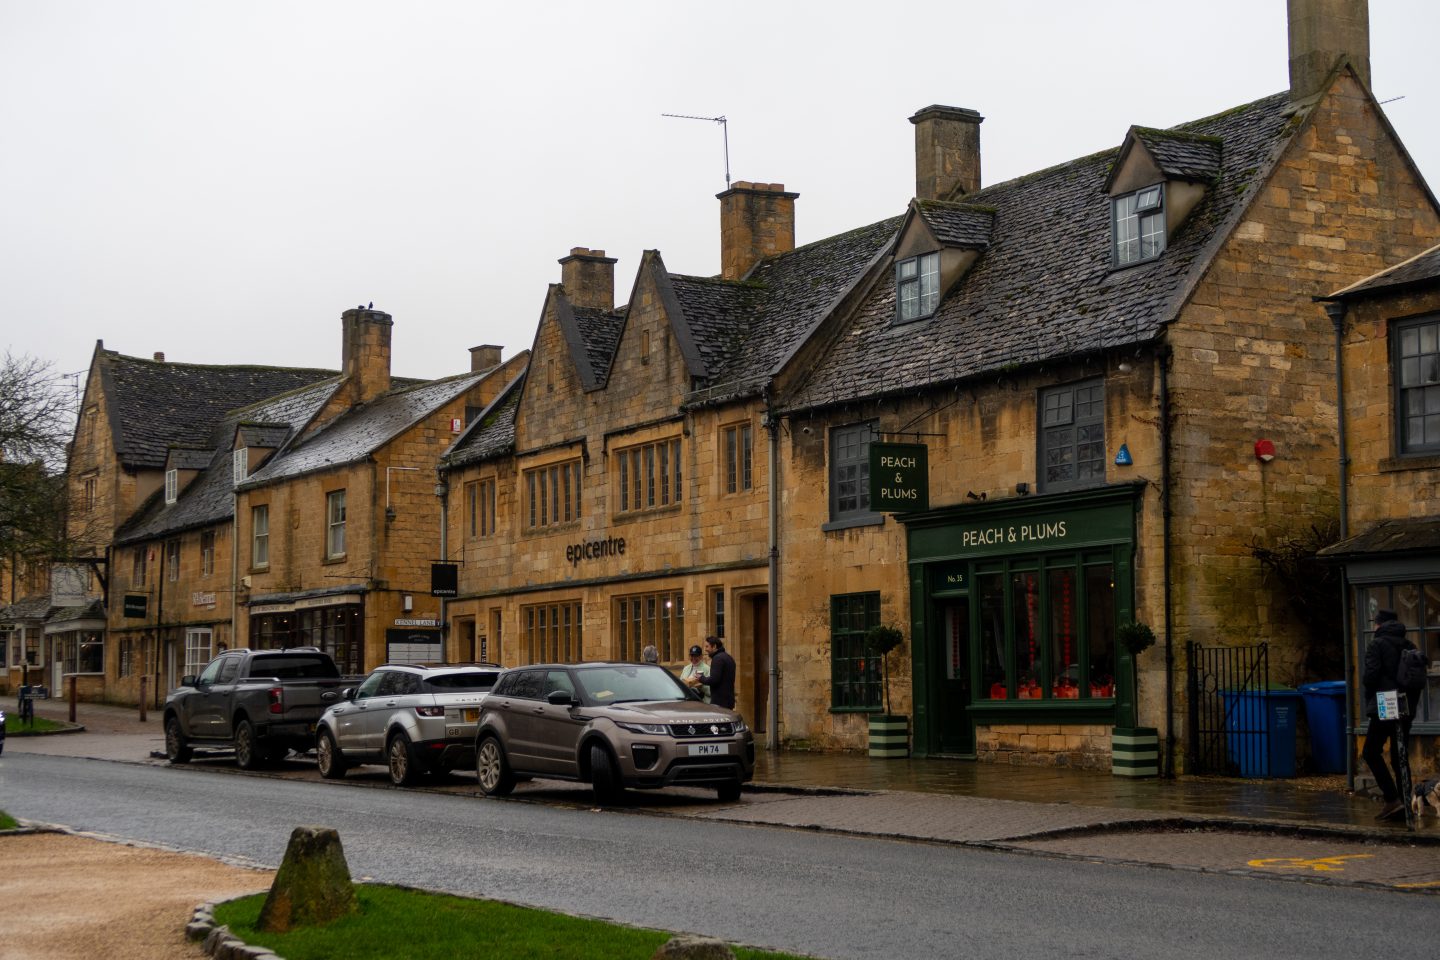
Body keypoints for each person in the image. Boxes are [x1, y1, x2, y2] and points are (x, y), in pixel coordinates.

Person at [1361, 608, 1418, 821]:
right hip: (1406, 706)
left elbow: (1371, 676)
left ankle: (1392, 798)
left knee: (1370, 751)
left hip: (1384, 702)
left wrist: (1370, 698)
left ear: (1379, 624)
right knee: (1399, 755)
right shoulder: (1409, 644)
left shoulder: (1377, 644)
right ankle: (1405, 802)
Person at [694, 635, 736, 710]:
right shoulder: (728, 657)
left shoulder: (717, 659)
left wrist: (701, 678)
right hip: (728, 700)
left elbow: (714, 680)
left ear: (714, 646)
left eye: (707, 646)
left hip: (720, 702)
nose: (705, 649)